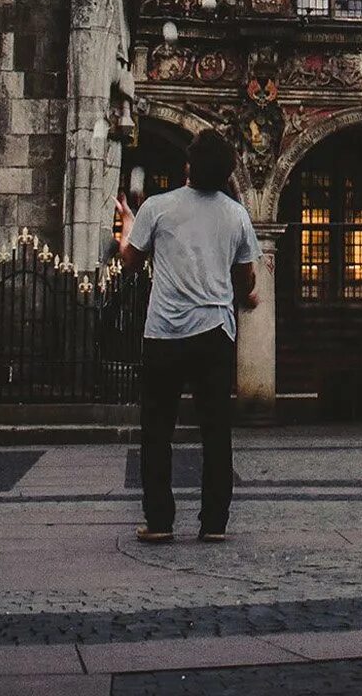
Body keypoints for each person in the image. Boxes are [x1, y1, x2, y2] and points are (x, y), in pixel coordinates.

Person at [118, 130, 260, 544]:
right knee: (216, 431)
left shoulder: (158, 207)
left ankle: (160, 520)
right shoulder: (236, 214)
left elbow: (130, 261)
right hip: (215, 333)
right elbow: (245, 276)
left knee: (157, 430)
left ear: (188, 166)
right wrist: (244, 294)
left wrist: (129, 224)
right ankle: (214, 521)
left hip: (164, 332)